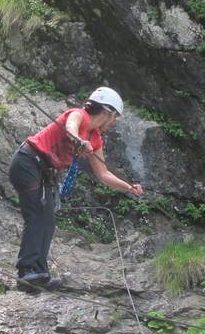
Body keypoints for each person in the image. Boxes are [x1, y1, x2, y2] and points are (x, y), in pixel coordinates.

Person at [8, 86, 145, 293]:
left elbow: (103, 173)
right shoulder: (78, 115)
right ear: (107, 112)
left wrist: (128, 187)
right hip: (28, 161)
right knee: (37, 214)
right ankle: (26, 272)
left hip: (44, 170)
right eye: (115, 117)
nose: (114, 123)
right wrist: (79, 140)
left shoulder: (96, 138)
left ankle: (38, 274)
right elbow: (71, 126)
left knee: (48, 219)